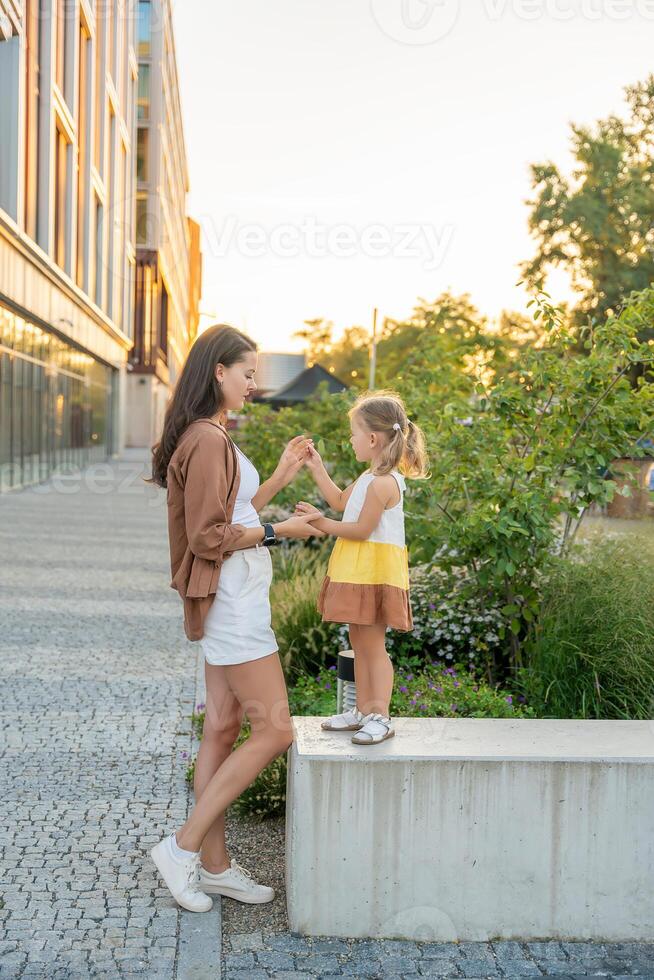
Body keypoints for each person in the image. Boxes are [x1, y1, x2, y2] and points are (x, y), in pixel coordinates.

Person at [147, 324, 322, 913]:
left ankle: (215, 867)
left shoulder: (212, 435)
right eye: (247, 373)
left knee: (221, 730)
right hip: (235, 605)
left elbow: (232, 510)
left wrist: (282, 473)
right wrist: (282, 531)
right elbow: (208, 535)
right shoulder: (206, 439)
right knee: (274, 730)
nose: (254, 384)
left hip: (234, 597)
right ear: (218, 371)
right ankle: (182, 847)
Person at [295, 390, 429, 745]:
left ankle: (380, 715)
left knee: (373, 646)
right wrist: (317, 467)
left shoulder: (384, 484)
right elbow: (341, 501)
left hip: (374, 573)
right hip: (358, 571)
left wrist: (319, 523)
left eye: (353, 434)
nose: (350, 440)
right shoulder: (369, 477)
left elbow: (360, 529)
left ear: (372, 438)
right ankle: (363, 711)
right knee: (359, 640)